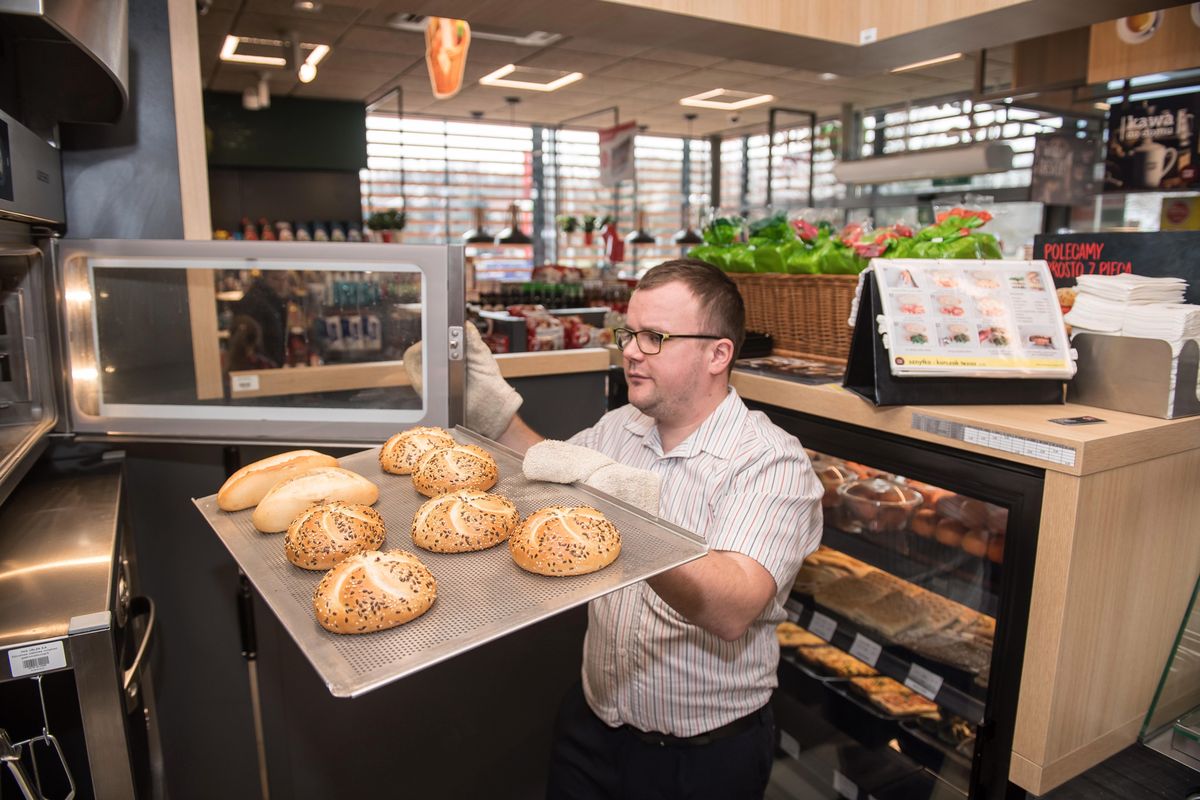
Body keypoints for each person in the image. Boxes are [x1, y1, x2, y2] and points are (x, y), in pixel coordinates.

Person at [455, 258, 823, 800]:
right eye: (630, 333)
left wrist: (624, 517)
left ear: (717, 353)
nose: (629, 350)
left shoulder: (770, 463)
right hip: (592, 724)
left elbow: (732, 607)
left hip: (700, 759)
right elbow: (553, 468)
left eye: (655, 337)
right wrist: (492, 409)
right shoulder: (621, 426)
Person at [232, 270, 291, 368]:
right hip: (260, 368)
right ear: (264, 278)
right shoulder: (254, 303)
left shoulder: (276, 301)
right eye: (275, 279)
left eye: (284, 279)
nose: (282, 285)